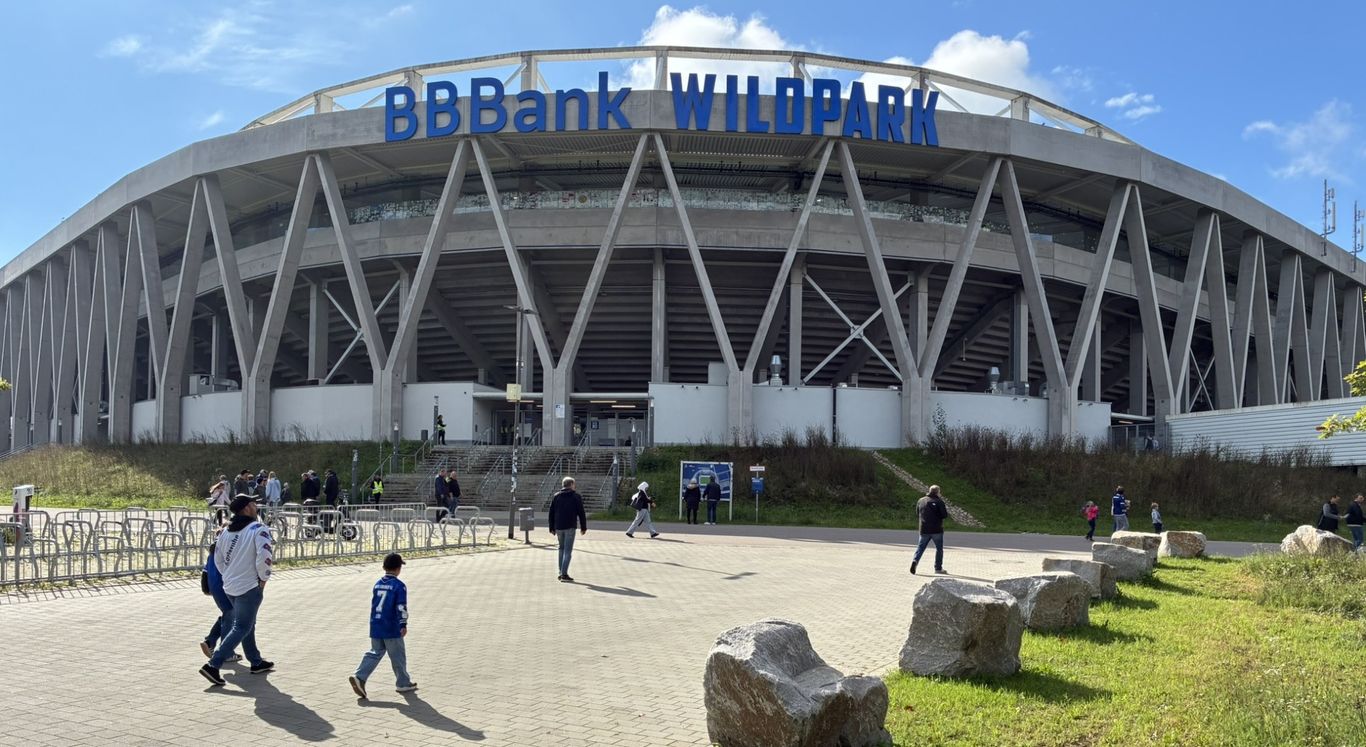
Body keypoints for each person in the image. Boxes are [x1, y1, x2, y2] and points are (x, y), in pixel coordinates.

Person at [199, 494, 274, 686]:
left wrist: (228, 576)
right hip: (249, 585)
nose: (256, 505)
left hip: (230, 585)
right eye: (253, 503)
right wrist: (263, 579)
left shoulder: (226, 532)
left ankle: (255, 661)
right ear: (247, 508)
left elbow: (219, 558)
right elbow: (264, 556)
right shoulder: (258, 529)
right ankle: (213, 665)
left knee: (247, 623)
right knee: (242, 626)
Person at [348, 553, 416, 699]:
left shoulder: (378, 584)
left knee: (375, 651)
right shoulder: (399, 586)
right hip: (391, 626)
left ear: (384, 567)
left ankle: (359, 676)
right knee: (397, 655)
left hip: (376, 624)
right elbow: (401, 606)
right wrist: (403, 623)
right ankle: (403, 682)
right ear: (398, 568)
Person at [199, 524, 242, 665]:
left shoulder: (216, 546)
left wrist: (206, 586)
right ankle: (226, 652)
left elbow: (206, 569)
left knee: (228, 614)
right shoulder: (226, 547)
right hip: (225, 585)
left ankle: (210, 641)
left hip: (215, 585)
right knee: (231, 615)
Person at [547, 477, 587, 582]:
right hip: (570, 526)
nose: (575, 486)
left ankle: (561, 572)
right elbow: (581, 513)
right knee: (568, 551)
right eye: (574, 484)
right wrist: (583, 527)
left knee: (561, 549)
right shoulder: (576, 496)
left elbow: (551, 512)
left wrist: (551, 527)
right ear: (571, 484)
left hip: (559, 527)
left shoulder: (556, 496)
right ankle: (563, 574)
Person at [909, 485, 950, 575]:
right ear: (938, 492)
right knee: (939, 549)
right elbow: (944, 515)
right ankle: (938, 568)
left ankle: (915, 561)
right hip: (936, 529)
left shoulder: (921, 500)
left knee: (920, 548)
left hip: (924, 529)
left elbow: (917, 512)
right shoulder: (939, 501)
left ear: (929, 491)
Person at [323, 469, 341, 533]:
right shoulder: (336, 478)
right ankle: (333, 511)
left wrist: (325, 492)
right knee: (332, 503)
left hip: (330, 494)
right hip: (334, 494)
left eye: (327, 473)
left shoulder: (329, 478)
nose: (326, 474)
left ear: (329, 473)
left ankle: (330, 513)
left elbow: (327, 487)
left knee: (329, 504)